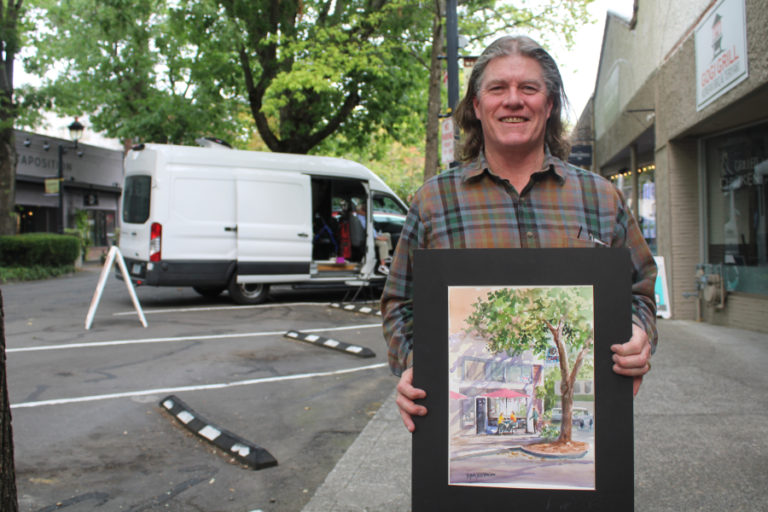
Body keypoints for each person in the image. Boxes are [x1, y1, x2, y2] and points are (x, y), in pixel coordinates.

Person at [381, 35, 658, 433]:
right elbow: (398, 304)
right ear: (477, 106)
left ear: (549, 105)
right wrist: (415, 363)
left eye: (529, 88)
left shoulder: (601, 198)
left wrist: (638, 331)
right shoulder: (432, 203)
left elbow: (641, 289)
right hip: (458, 443)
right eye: (497, 88)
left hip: (588, 453)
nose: (514, 100)